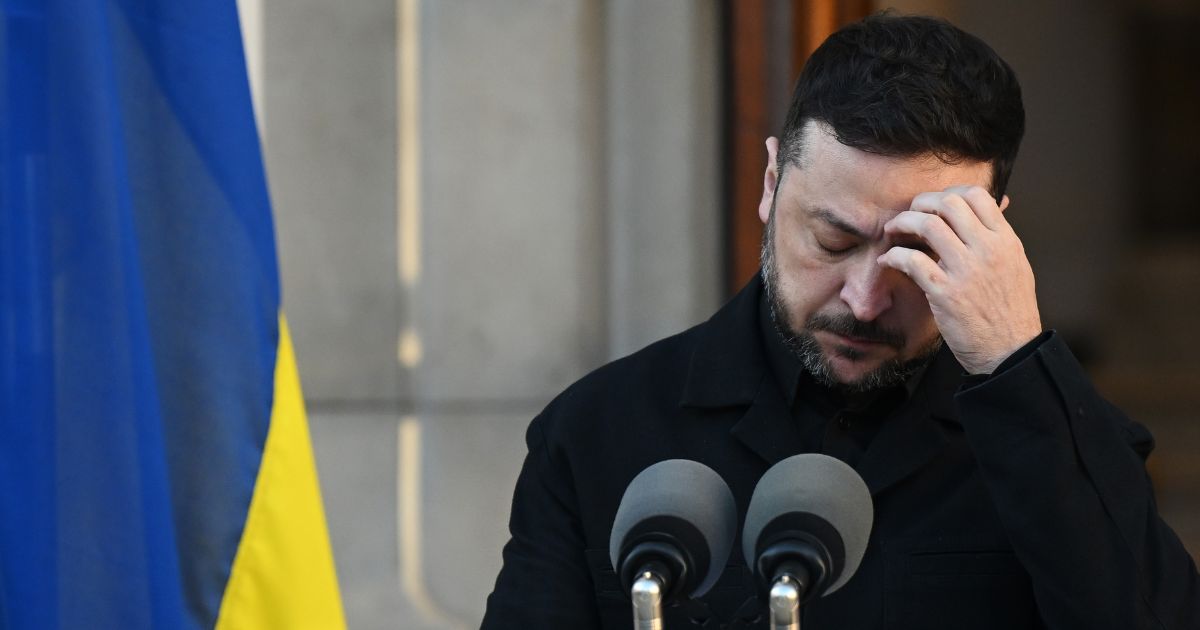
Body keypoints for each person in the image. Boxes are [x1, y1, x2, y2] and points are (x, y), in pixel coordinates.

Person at [481, 13, 1200, 629]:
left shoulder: (1060, 442)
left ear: (993, 240)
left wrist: (1015, 364)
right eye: (833, 240)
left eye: (915, 254)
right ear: (771, 185)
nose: (863, 299)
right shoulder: (599, 432)